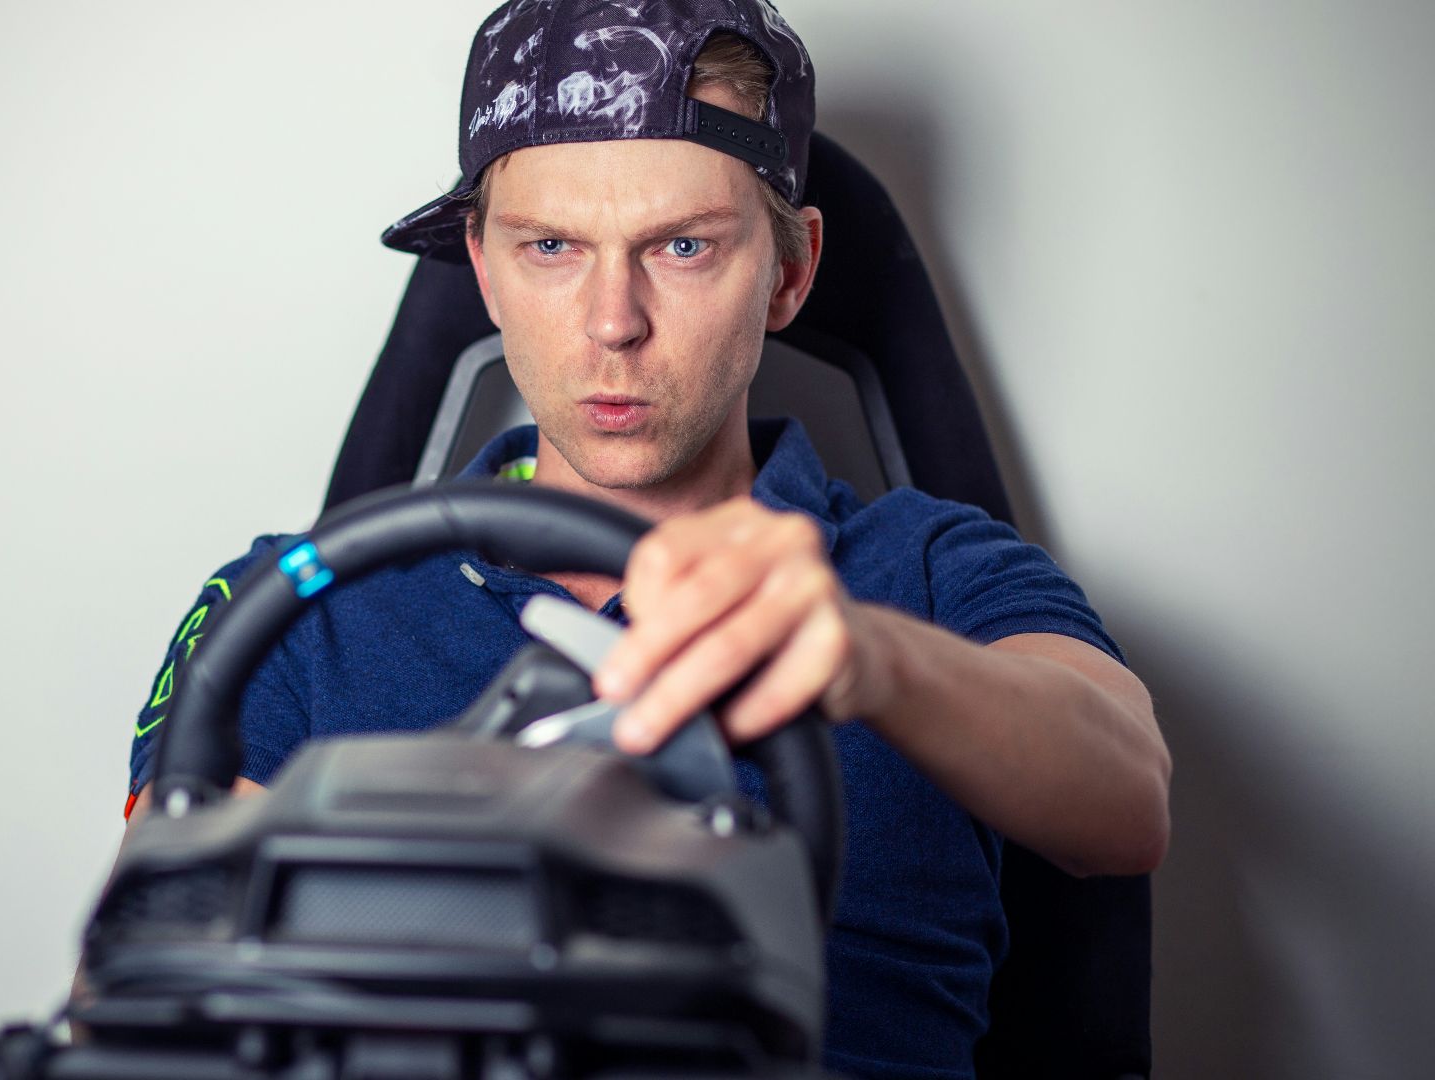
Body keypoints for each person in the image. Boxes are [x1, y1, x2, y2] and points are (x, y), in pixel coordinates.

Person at [113, 2, 1170, 1077]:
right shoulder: (293, 607)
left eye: (682, 245)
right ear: (483, 269)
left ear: (790, 271)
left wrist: (871, 655)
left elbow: (1127, 798)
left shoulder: (933, 570)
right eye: (552, 247)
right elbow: (144, 997)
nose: (613, 320)